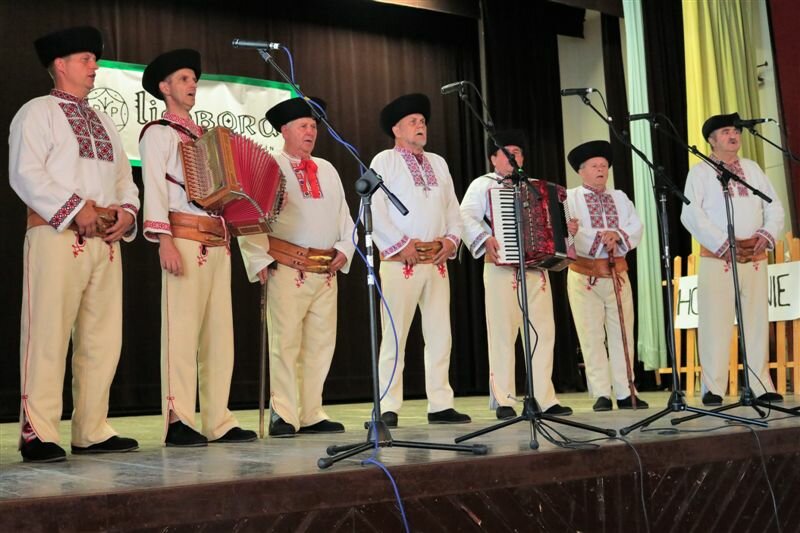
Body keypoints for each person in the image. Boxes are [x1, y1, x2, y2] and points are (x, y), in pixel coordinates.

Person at [9, 26, 140, 462]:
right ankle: (37, 431)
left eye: (95, 60)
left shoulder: (103, 120)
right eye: (86, 59)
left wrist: (127, 211)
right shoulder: (37, 111)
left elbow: (125, 177)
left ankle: (91, 428)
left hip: (104, 239)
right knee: (47, 333)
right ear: (60, 64)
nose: (94, 67)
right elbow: (25, 173)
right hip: (55, 234)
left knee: (102, 338)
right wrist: (73, 208)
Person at [139, 49, 256, 446]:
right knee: (182, 332)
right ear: (164, 87)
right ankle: (177, 419)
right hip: (184, 238)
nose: (192, 85)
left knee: (219, 334)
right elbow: (154, 186)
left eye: (194, 79)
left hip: (216, 241)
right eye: (184, 79)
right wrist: (163, 239)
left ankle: (218, 419)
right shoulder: (158, 132)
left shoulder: (206, 138)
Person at [239, 97, 356, 438]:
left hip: (325, 269)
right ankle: (284, 412)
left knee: (320, 343)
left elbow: (345, 217)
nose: (311, 132)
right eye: (303, 126)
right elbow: (249, 216)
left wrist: (345, 249)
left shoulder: (328, 169)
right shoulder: (269, 165)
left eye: (314, 126)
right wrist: (258, 257)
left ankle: (311, 411)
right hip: (287, 266)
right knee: (285, 341)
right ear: (285, 130)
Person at [369, 93, 470, 427]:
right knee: (395, 334)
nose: (420, 125)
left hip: (436, 260)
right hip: (402, 262)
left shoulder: (438, 163)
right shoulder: (384, 160)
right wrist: (400, 244)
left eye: (422, 121)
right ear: (396, 129)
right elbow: (375, 208)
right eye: (413, 121)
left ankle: (440, 403)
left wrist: (450, 240)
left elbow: (453, 210)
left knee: (441, 334)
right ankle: (387, 405)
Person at [460, 130, 573, 420]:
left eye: (518, 152)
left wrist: (567, 230)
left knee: (543, 331)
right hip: (501, 267)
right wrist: (485, 238)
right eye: (507, 152)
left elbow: (553, 222)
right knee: (502, 333)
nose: (514, 157)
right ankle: (504, 399)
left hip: (536, 268)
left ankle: (544, 397)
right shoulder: (482, 185)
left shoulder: (536, 187)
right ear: (493, 158)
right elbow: (465, 216)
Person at [680, 112, 784, 406]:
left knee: (756, 319)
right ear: (712, 140)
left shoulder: (752, 169)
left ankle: (760, 384)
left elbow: (773, 205)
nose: (733, 135)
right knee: (715, 321)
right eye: (726, 131)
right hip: (719, 257)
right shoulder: (700, 172)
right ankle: (713, 387)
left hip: (754, 254)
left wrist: (765, 235)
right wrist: (724, 243)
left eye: (735, 131)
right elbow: (691, 214)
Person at [565, 140, 648, 411]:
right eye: (594, 166)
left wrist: (619, 235)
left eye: (604, 166)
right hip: (585, 275)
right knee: (590, 335)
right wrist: (603, 237)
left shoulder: (620, 197)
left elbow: (635, 226)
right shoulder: (570, 197)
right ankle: (601, 392)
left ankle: (626, 391)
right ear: (582, 171)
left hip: (617, 274)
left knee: (623, 332)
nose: (601, 170)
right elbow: (571, 233)